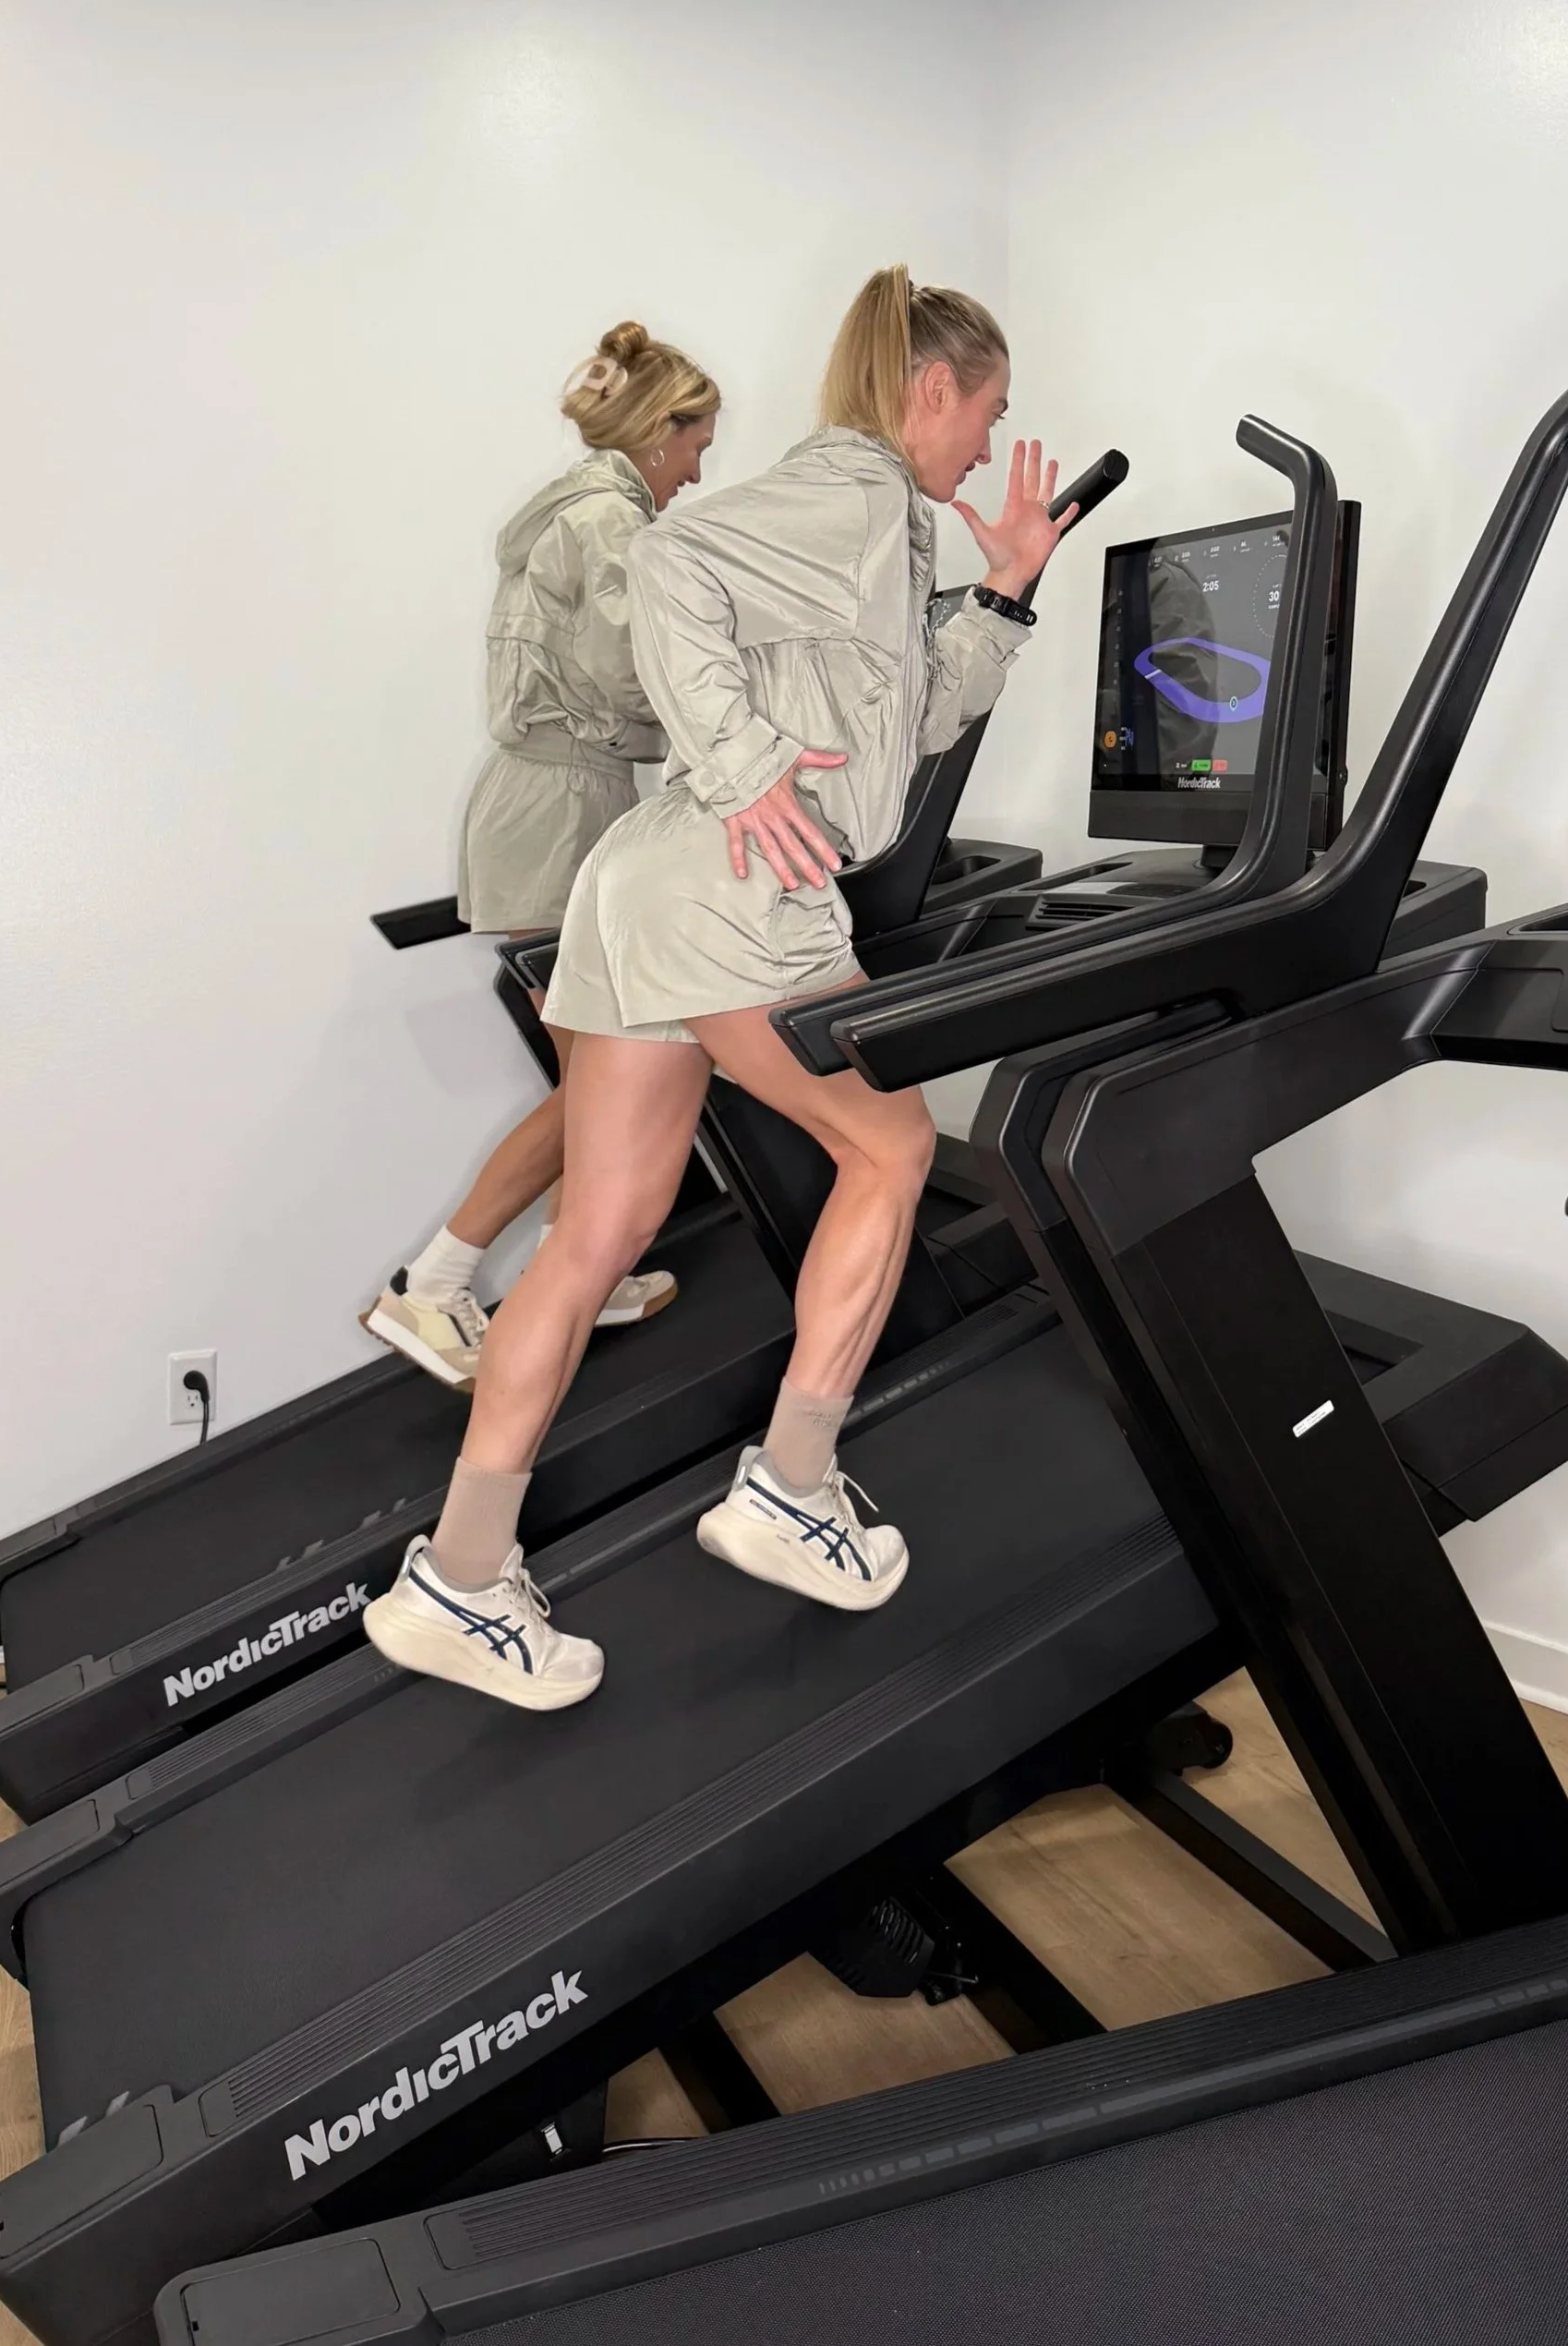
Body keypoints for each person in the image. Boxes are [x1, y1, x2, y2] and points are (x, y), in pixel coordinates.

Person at [363, 267, 1073, 1707]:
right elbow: (667, 575)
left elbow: (911, 718)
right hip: (734, 883)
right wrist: (749, 773)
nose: (986, 451)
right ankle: (792, 1483)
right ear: (927, 390)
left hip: (645, 883)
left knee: (599, 1230)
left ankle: (459, 1572)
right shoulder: (856, 491)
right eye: (985, 416)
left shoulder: (877, 538)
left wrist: (1003, 588)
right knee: (891, 1145)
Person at [363, 321, 720, 1391]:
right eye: (699, 444)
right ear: (661, 433)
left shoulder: (579, 512)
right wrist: (744, 715)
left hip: (558, 794)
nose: (702, 469)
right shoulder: (611, 520)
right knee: (602, 1085)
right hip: (565, 802)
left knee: (593, 1072)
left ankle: (589, 1257)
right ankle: (435, 1280)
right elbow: (630, 674)